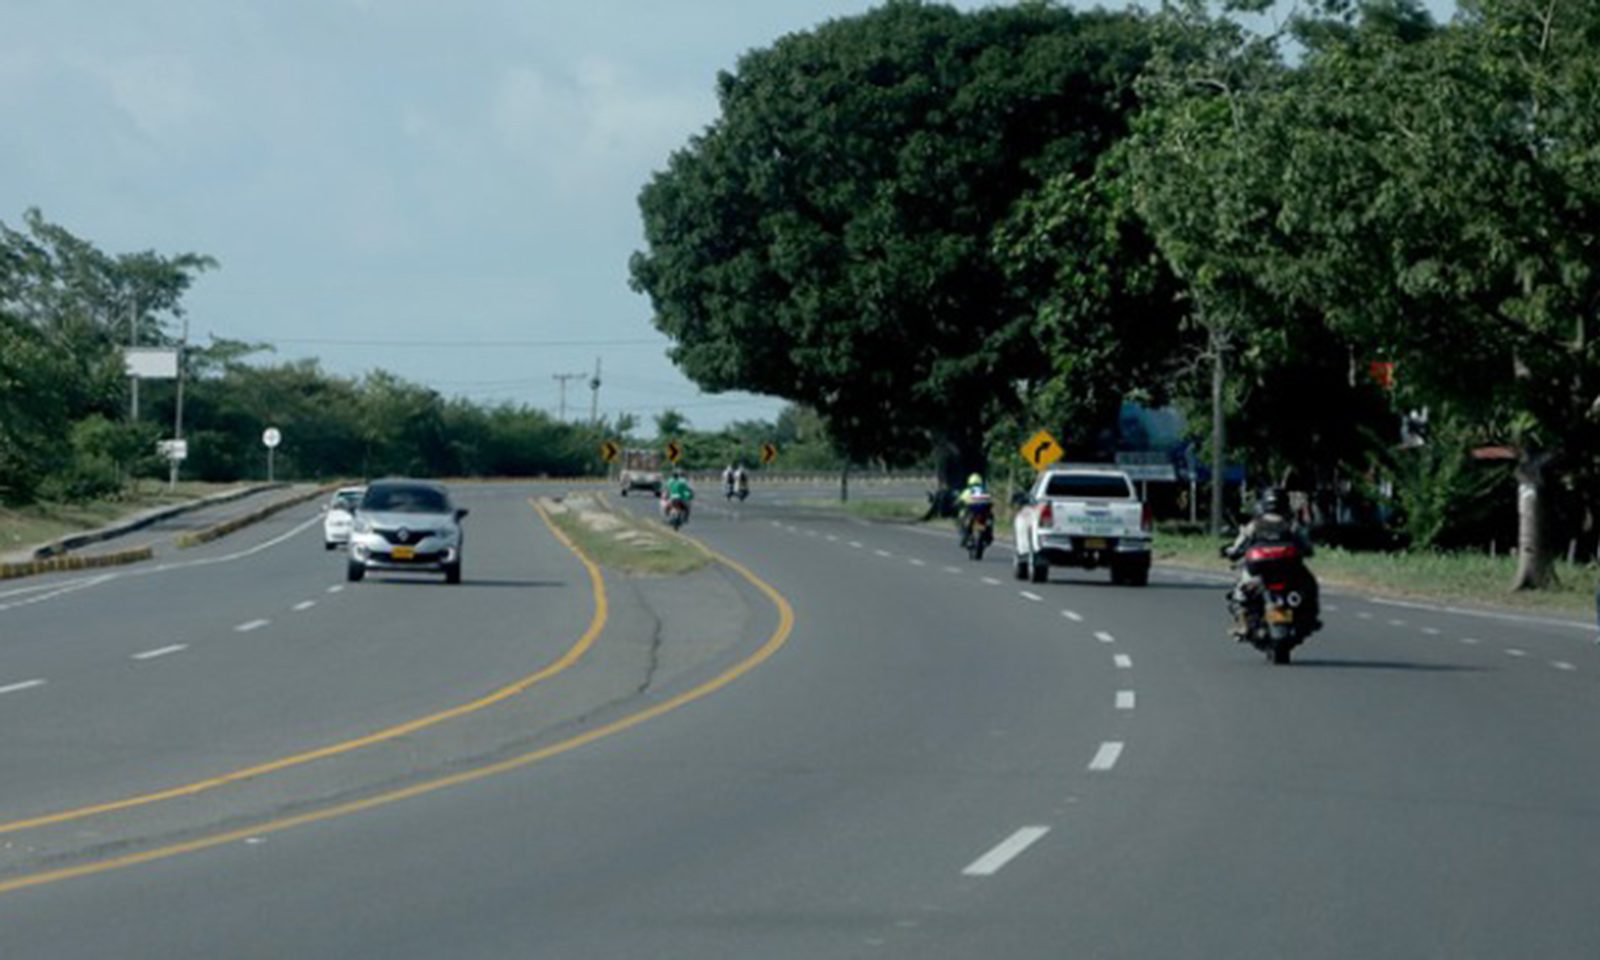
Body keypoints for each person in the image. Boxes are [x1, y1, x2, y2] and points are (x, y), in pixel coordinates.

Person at [1223, 488, 1319, 636]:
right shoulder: (1291, 525)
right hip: (1285, 570)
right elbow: (1306, 545)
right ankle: (1307, 619)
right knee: (1308, 585)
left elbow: (1239, 545)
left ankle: (1244, 624)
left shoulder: (1256, 524)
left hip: (1263, 570)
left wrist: (1232, 552)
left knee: (1240, 592)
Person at [956, 473, 991, 546]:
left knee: (962, 520)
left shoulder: (967, 491)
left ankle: (964, 537)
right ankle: (966, 537)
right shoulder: (984, 491)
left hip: (972, 514)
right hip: (981, 514)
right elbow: (989, 501)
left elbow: (960, 500)